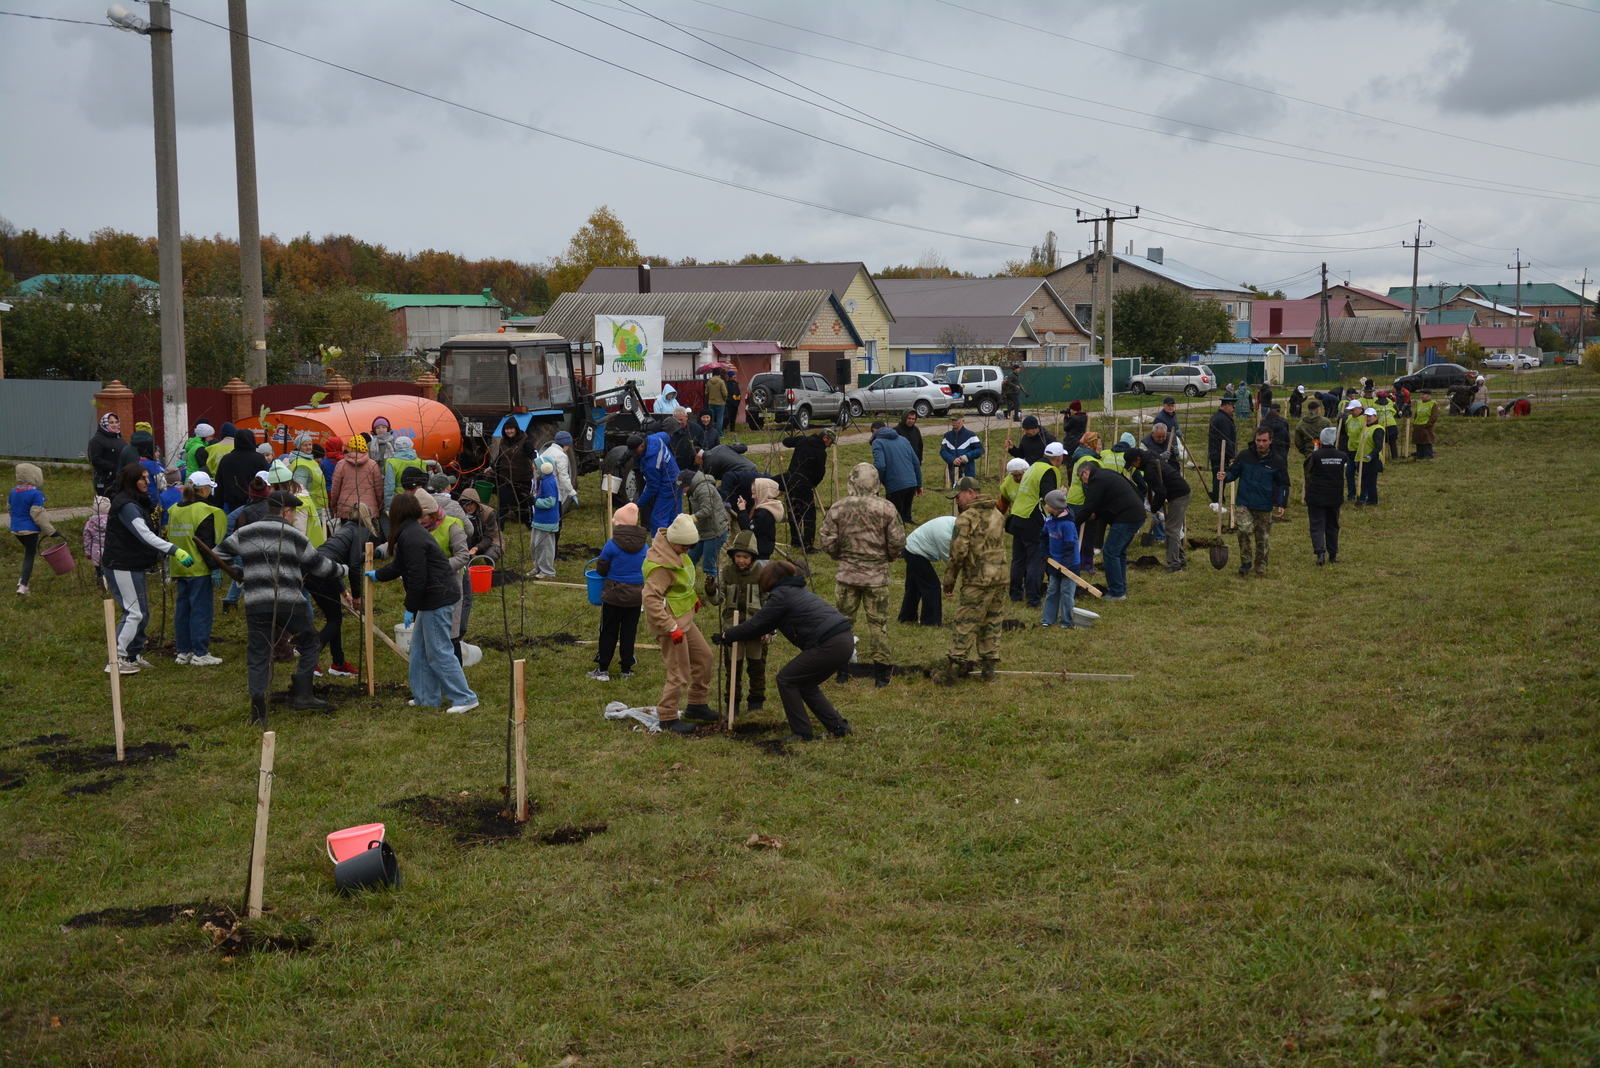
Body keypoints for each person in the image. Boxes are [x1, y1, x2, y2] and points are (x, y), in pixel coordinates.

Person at [214, 491, 344, 724]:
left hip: (256, 602)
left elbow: (218, 553)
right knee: (311, 640)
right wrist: (344, 570)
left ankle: (258, 710)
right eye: (293, 512)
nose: (294, 517)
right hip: (289, 602)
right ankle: (303, 695)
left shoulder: (246, 532)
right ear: (286, 511)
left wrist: (240, 573)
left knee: (258, 652)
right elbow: (320, 567)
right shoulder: (294, 535)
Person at [713, 560, 854, 742]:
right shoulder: (795, 591)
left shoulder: (781, 596)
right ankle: (838, 726)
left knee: (786, 679)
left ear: (769, 579)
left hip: (828, 643)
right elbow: (764, 625)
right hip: (844, 639)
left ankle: (802, 732)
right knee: (806, 684)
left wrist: (726, 636)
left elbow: (755, 624)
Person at [367, 493, 478, 713]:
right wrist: (379, 575)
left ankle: (465, 698)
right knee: (419, 650)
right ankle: (426, 698)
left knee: (439, 650)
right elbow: (400, 564)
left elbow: (418, 576)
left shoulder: (412, 536)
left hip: (438, 597)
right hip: (431, 597)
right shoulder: (408, 533)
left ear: (398, 512)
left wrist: (410, 607)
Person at [818, 462, 905, 688]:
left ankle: (842, 672)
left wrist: (842, 557)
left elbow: (826, 540)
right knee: (878, 625)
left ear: (851, 481)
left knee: (842, 625)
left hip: (847, 576)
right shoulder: (887, 508)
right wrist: (885, 558)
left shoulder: (838, 508)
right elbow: (897, 542)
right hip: (876, 577)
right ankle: (881, 675)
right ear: (876, 482)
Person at [102, 464, 194, 674]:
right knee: (133, 612)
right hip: (120, 564)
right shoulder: (127, 505)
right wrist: (174, 550)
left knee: (142, 613)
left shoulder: (137, 501)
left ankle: (133, 656)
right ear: (131, 481)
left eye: (147, 478)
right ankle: (115, 660)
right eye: (141, 478)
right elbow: (144, 535)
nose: (146, 482)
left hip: (133, 563)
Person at [642, 513, 717, 735]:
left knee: (704, 658)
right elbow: (650, 599)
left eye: (690, 547)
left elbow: (681, 584)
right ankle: (667, 716)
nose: (687, 551)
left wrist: (692, 599)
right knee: (679, 671)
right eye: (684, 547)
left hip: (682, 618)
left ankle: (697, 705)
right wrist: (670, 627)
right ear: (674, 541)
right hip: (669, 625)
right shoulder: (661, 567)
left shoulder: (676, 551)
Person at [937, 475, 1007, 683]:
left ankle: (952, 672)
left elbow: (958, 553)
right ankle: (989, 672)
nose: (956, 502)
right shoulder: (998, 514)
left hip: (977, 580)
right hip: (1000, 577)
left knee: (965, 623)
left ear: (970, 493)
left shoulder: (967, 518)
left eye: (958, 497)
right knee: (992, 623)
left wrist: (949, 581)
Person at [163, 472, 227, 666]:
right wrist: (215, 567)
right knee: (201, 610)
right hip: (199, 569)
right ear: (205, 489)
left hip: (179, 566)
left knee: (183, 611)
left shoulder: (174, 509)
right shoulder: (204, 511)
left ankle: (183, 652)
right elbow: (205, 544)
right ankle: (200, 653)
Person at [312, 501, 378, 679]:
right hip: (323, 573)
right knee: (334, 620)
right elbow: (355, 565)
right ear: (368, 517)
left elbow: (333, 561)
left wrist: (345, 593)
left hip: (313, 570)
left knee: (334, 618)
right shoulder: (361, 531)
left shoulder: (344, 529)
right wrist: (357, 596)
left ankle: (338, 663)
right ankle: (310, 657)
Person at [1217, 427, 1290, 576]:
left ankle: (1261, 564)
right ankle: (1246, 562)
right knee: (1243, 530)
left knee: (1262, 536)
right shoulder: (1245, 456)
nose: (1261, 444)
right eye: (1258, 440)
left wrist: (1282, 503)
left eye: (1264, 441)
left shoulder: (1277, 461)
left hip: (1264, 504)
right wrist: (1225, 476)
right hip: (1245, 502)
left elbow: (1283, 484)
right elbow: (1233, 473)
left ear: (1270, 441)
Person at [710, 529, 767, 712]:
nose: (741, 560)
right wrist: (711, 591)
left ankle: (756, 704)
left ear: (753, 557)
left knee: (757, 667)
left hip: (756, 630)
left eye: (745, 557)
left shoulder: (761, 574)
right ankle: (732, 704)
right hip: (732, 630)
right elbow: (717, 600)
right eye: (738, 556)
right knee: (733, 669)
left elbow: (770, 604)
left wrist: (769, 629)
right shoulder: (726, 573)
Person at [591, 502, 647, 682]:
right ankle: (626, 669)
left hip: (613, 595)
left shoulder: (611, 545)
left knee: (608, 630)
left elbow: (601, 569)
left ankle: (603, 668)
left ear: (620, 524)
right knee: (629, 632)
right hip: (636, 596)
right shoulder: (645, 546)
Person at [1077, 461, 1146, 599]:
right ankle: (1120, 587)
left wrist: (1074, 523)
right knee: (1118, 553)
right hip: (1136, 514)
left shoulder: (1096, 480)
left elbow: (1089, 505)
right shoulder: (1106, 474)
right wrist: (1094, 516)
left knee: (1110, 552)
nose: (1084, 483)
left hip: (1127, 517)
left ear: (1085, 472)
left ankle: (1117, 592)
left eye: (1081, 479)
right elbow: (1104, 505)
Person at [1141, 425, 1190, 572]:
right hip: (1165, 485)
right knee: (1172, 528)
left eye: (1163, 437)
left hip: (1174, 488)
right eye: (1158, 437)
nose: (1161, 439)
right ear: (1152, 434)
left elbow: (1184, 456)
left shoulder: (1172, 438)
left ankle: (1175, 564)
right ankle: (1180, 559)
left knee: (1171, 529)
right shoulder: (1145, 443)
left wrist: (1178, 453)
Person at [10, 463, 61, 596]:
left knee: (28, 552)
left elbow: (10, 509)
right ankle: (23, 584)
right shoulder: (36, 493)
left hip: (16, 529)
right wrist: (52, 531)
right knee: (29, 555)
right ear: (36, 476)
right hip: (31, 530)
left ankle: (23, 580)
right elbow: (38, 515)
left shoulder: (13, 492)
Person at [900, 510, 957, 628]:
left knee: (914, 586)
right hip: (914, 551)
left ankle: (906, 618)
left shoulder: (955, 524)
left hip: (911, 546)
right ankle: (930, 623)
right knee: (932, 586)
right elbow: (953, 564)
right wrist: (949, 585)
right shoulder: (945, 535)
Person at [779, 427, 833, 549]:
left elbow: (786, 442)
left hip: (790, 480)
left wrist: (797, 440)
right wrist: (814, 483)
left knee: (794, 511)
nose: (830, 446)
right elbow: (820, 472)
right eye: (831, 442)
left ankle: (796, 541)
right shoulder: (821, 452)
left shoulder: (803, 440)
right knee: (809, 514)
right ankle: (808, 546)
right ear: (825, 438)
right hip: (804, 483)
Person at [1304, 426, 1348, 566]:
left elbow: (1307, 470)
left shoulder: (1316, 456)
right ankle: (1333, 554)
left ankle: (1320, 552)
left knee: (1317, 525)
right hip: (1335, 496)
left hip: (1316, 496)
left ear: (1321, 440)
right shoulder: (1342, 456)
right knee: (1332, 525)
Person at [680, 466, 730, 586]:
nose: (682, 491)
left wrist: (689, 519)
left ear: (689, 483)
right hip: (702, 532)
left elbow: (707, 510)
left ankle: (713, 592)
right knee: (689, 560)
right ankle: (686, 586)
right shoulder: (694, 490)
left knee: (708, 565)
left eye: (682, 487)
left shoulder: (704, 489)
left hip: (715, 532)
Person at [1039, 489, 1079, 627]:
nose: (1045, 506)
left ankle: (1066, 621)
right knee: (1052, 590)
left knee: (1066, 592)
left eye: (1047, 504)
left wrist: (1065, 566)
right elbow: (1043, 537)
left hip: (1069, 564)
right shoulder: (1049, 519)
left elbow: (1070, 547)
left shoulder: (1068, 524)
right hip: (1053, 562)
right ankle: (1048, 619)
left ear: (1055, 507)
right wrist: (1045, 554)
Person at [330, 433, 384, 532]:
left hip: (347, 510)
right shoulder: (373, 465)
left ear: (350, 448)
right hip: (368, 511)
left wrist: (334, 505)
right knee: (369, 541)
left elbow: (335, 488)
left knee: (347, 540)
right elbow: (379, 490)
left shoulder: (341, 464)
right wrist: (380, 506)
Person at [634, 427, 682, 536]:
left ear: (642, 446)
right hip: (678, 478)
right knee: (674, 516)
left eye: (635, 451)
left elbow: (652, 488)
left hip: (668, 486)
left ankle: (658, 546)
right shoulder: (655, 439)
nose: (634, 454)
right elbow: (666, 435)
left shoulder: (651, 464)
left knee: (658, 518)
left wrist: (639, 504)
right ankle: (675, 542)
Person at [871, 423, 922, 523]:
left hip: (895, 485)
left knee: (894, 521)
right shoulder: (903, 439)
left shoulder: (877, 442)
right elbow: (916, 462)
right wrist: (919, 484)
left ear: (874, 432)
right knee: (901, 518)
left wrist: (877, 482)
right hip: (911, 484)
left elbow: (880, 465)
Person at [492, 422, 536, 526]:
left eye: (511, 428)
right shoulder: (503, 442)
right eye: (507, 429)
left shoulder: (525, 441)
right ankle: (499, 528)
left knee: (524, 503)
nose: (509, 431)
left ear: (516, 429)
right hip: (506, 479)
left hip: (522, 479)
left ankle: (530, 525)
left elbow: (533, 453)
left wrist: (535, 462)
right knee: (503, 503)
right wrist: (491, 467)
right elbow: (499, 458)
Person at [217, 427, 269, 513]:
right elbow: (267, 480)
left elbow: (220, 484)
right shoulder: (259, 459)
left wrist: (218, 506)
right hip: (255, 503)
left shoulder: (226, 459)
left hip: (231, 505)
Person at [288, 432, 330, 527]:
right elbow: (299, 491)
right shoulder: (301, 465)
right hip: (311, 508)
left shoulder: (310, 460)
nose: (308, 447)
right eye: (305, 445)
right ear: (299, 447)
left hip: (321, 505)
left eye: (310, 444)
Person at [528, 459, 560, 579]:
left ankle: (548, 571)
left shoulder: (548, 483)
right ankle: (538, 567)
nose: (535, 471)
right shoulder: (542, 480)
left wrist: (535, 501)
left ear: (544, 468)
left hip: (547, 520)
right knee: (535, 544)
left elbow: (550, 502)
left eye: (536, 468)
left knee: (545, 546)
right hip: (539, 519)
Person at [742, 477, 784, 560]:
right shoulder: (765, 510)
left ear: (763, 493)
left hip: (759, 555)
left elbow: (748, 530)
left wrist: (742, 511)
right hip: (758, 553)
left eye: (754, 493)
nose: (752, 496)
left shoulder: (764, 514)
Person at [1207, 395, 1238, 506]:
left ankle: (1220, 498)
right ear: (1228, 406)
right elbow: (1226, 439)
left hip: (1215, 452)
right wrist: (1232, 455)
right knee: (1220, 477)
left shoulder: (1216, 417)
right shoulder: (1224, 420)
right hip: (1221, 453)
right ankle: (1217, 500)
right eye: (1232, 406)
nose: (1233, 409)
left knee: (1217, 476)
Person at [86, 414, 125, 497]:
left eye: (116, 422)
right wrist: (114, 468)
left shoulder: (119, 439)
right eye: (111, 422)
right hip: (105, 480)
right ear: (104, 423)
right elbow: (95, 459)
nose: (114, 425)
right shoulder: (97, 440)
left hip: (120, 479)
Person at [1354, 407, 1385, 506]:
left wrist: (1371, 455)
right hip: (1362, 459)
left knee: (1371, 482)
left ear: (1375, 417)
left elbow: (1378, 445)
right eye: (1366, 416)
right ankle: (1362, 499)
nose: (1368, 418)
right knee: (1363, 481)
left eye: (1370, 416)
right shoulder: (1365, 428)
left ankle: (1372, 501)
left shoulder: (1378, 429)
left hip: (1372, 460)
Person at [939, 414, 984, 483]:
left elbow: (980, 450)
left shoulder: (971, 435)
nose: (954, 422)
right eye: (952, 420)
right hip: (953, 472)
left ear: (963, 421)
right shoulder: (947, 436)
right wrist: (953, 460)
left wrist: (966, 457)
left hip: (968, 472)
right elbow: (943, 451)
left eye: (956, 420)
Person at [1337, 399, 1365, 501]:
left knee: (1362, 474)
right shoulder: (1349, 419)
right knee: (1349, 474)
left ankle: (1362, 495)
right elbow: (1346, 432)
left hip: (1361, 451)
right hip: (1351, 450)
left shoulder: (1365, 419)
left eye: (1353, 410)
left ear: (1359, 408)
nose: (1351, 412)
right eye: (1350, 410)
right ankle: (1351, 495)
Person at [382, 436, 425, 501]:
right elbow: (425, 484)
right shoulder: (421, 462)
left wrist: (388, 507)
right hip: (418, 499)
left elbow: (389, 486)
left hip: (399, 500)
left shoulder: (391, 462)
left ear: (395, 447)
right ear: (411, 445)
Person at [83, 495, 110, 591]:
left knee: (99, 569)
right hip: (110, 550)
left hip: (96, 551)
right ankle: (110, 584)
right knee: (110, 568)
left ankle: (100, 584)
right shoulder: (112, 522)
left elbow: (87, 538)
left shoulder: (90, 522)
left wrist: (88, 552)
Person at [1411, 388, 1440, 459]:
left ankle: (1428, 456)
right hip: (1418, 425)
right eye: (1421, 394)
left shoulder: (1433, 404)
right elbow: (1416, 414)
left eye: (1423, 394)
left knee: (1427, 441)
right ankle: (1420, 456)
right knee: (1418, 441)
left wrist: (1428, 424)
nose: (1421, 396)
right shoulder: (1419, 403)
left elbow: (1434, 416)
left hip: (1426, 426)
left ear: (1428, 395)